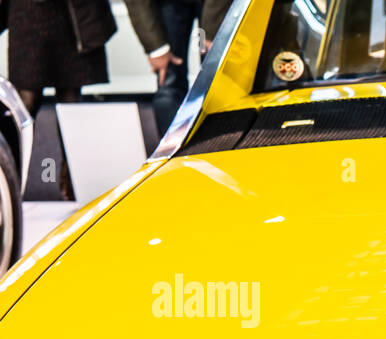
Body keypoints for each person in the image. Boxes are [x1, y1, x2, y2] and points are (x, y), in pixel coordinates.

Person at [4, 0, 117, 199]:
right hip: (27, 17)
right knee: (23, 108)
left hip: (72, 18)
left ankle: (73, 186)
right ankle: (7, 185)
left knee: (72, 110)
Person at [124, 0, 233, 133]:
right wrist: (157, 48)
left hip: (214, 5)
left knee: (215, 77)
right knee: (170, 81)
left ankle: (218, 143)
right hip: (170, 6)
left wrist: (213, 30)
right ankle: (174, 145)